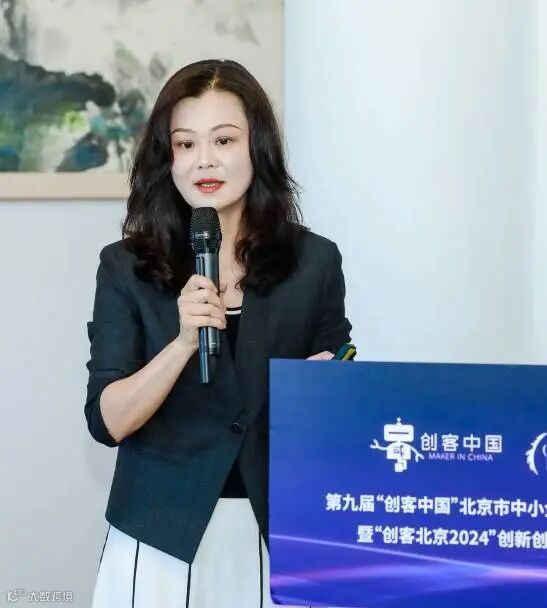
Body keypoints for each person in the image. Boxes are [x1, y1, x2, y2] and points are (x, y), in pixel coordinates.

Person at [85, 58, 352, 608]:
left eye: (224, 140)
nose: (204, 159)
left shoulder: (315, 262)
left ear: (258, 148)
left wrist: (331, 386)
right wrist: (183, 342)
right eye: (185, 144)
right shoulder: (126, 267)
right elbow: (107, 421)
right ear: (167, 158)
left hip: (280, 530)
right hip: (159, 535)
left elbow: (340, 394)